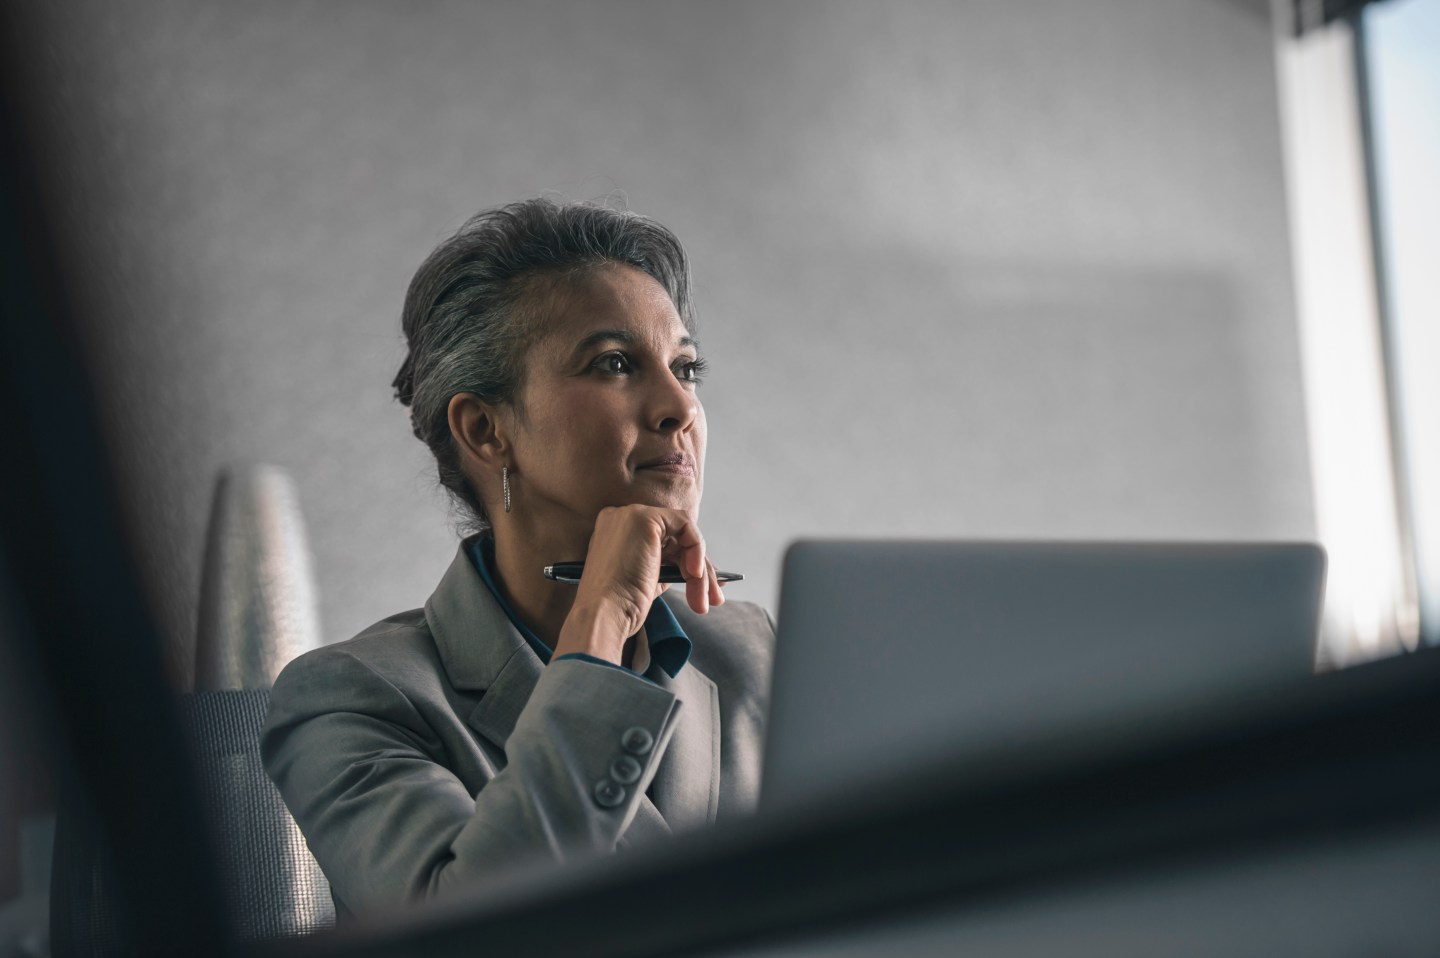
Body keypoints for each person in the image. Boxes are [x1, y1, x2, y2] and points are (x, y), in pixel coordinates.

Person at [260, 198, 775, 915]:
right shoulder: (352, 699)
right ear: (485, 430)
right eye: (615, 364)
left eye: (686, 368)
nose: (680, 408)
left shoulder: (754, 652)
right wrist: (601, 619)